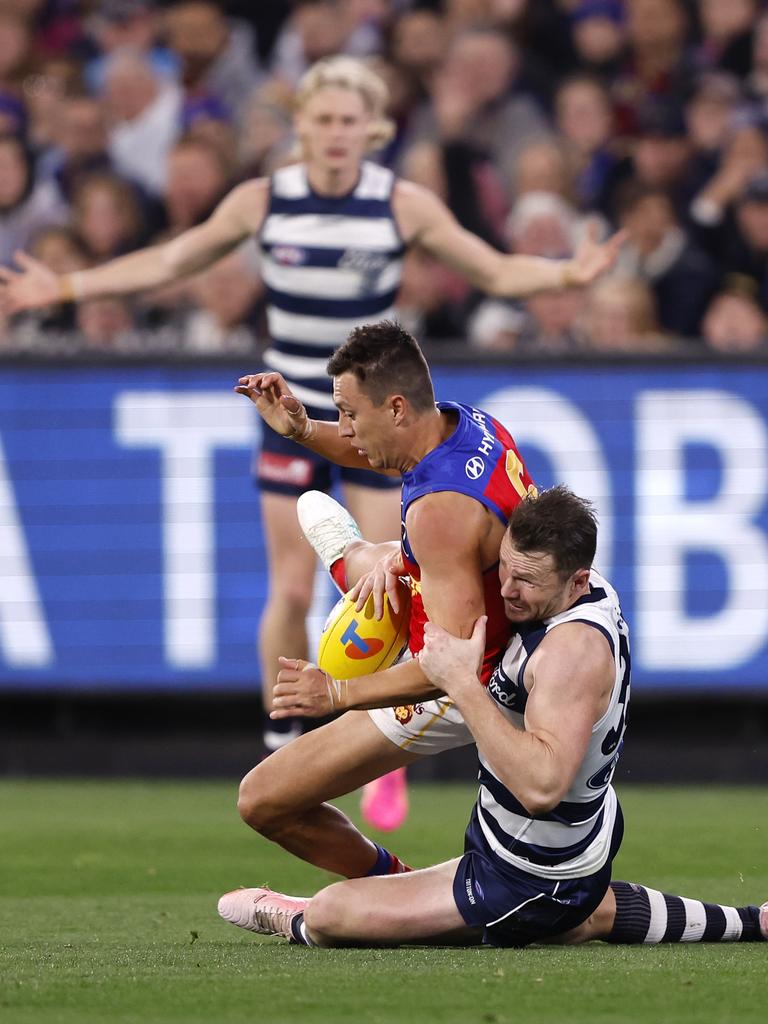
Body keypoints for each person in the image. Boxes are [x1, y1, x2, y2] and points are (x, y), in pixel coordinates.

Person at [0, 56, 623, 814]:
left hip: (374, 422)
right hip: (301, 412)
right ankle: (289, 733)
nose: (334, 133)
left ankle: (365, 725)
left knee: (398, 585)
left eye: (347, 120)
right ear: (301, 126)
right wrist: (64, 287)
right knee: (291, 588)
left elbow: (491, 268)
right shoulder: (266, 200)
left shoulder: (399, 204)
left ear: (372, 129)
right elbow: (172, 258)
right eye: (321, 119)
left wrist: (564, 276)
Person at [217, 486, 768, 949]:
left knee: (333, 913)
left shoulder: (569, 654)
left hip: (524, 876)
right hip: (571, 852)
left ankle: (307, 915)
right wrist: (401, 561)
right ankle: (750, 920)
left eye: (525, 581)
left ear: (578, 581)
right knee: (585, 913)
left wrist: (451, 682)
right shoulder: (574, 591)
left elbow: (542, 786)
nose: (506, 590)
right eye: (505, 569)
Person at [230, 319, 537, 875]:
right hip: (491, 613)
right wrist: (301, 429)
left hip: (473, 682)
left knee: (264, 800)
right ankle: (363, 560)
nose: (343, 430)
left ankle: (394, 887)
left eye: (349, 413)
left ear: (396, 409)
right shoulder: (467, 424)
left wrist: (338, 692)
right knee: (386, 562)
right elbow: (377, 456)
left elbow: (451, 669)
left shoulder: (438, 512)